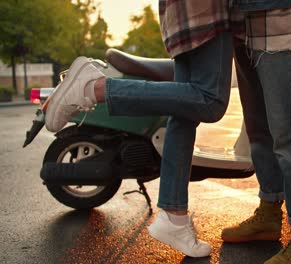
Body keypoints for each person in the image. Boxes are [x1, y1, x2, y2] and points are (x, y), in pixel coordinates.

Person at [44, 0, 238, 258]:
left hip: (186, 14)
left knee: (184, 112)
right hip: (208, 11)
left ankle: (174, 218)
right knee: (209, 100)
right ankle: (96, 87)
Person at [221, 1, 291, 263]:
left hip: (275, 12)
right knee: (258, 130)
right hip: (238, 18)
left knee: (290, 132)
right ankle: (270, 212)